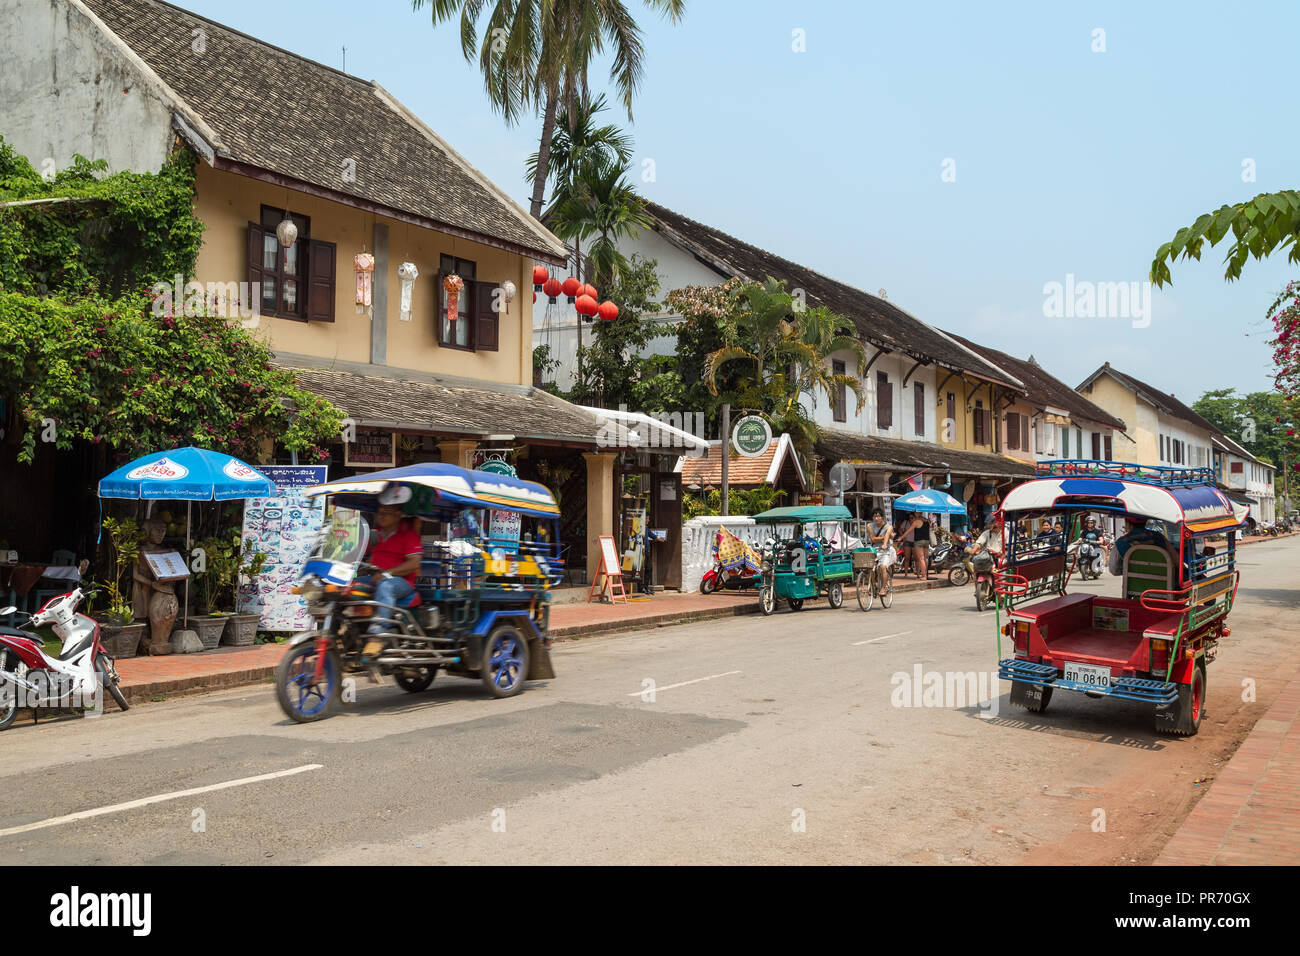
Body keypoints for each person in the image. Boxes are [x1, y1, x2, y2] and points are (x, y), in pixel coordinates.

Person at [362, 487, 424, 660]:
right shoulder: (376, 535)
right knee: (344, 587)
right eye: (379, 512)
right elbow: (357, 550)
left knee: (385, 586)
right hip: (374, 577)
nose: (380, 516)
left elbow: (414, 563)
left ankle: (378, 633)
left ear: (398, 515)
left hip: (401, 583)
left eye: (386, 513)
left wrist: (387, 574)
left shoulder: (409, 535)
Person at [907, 512, 931, 580]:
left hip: (919, 541)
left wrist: (901, 538)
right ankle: (925, 574)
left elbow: (908, 531)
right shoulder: (926, 520)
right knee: (925, 559)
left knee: (921, 559)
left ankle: (923, 576)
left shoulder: (917, 522)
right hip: (926, 541)